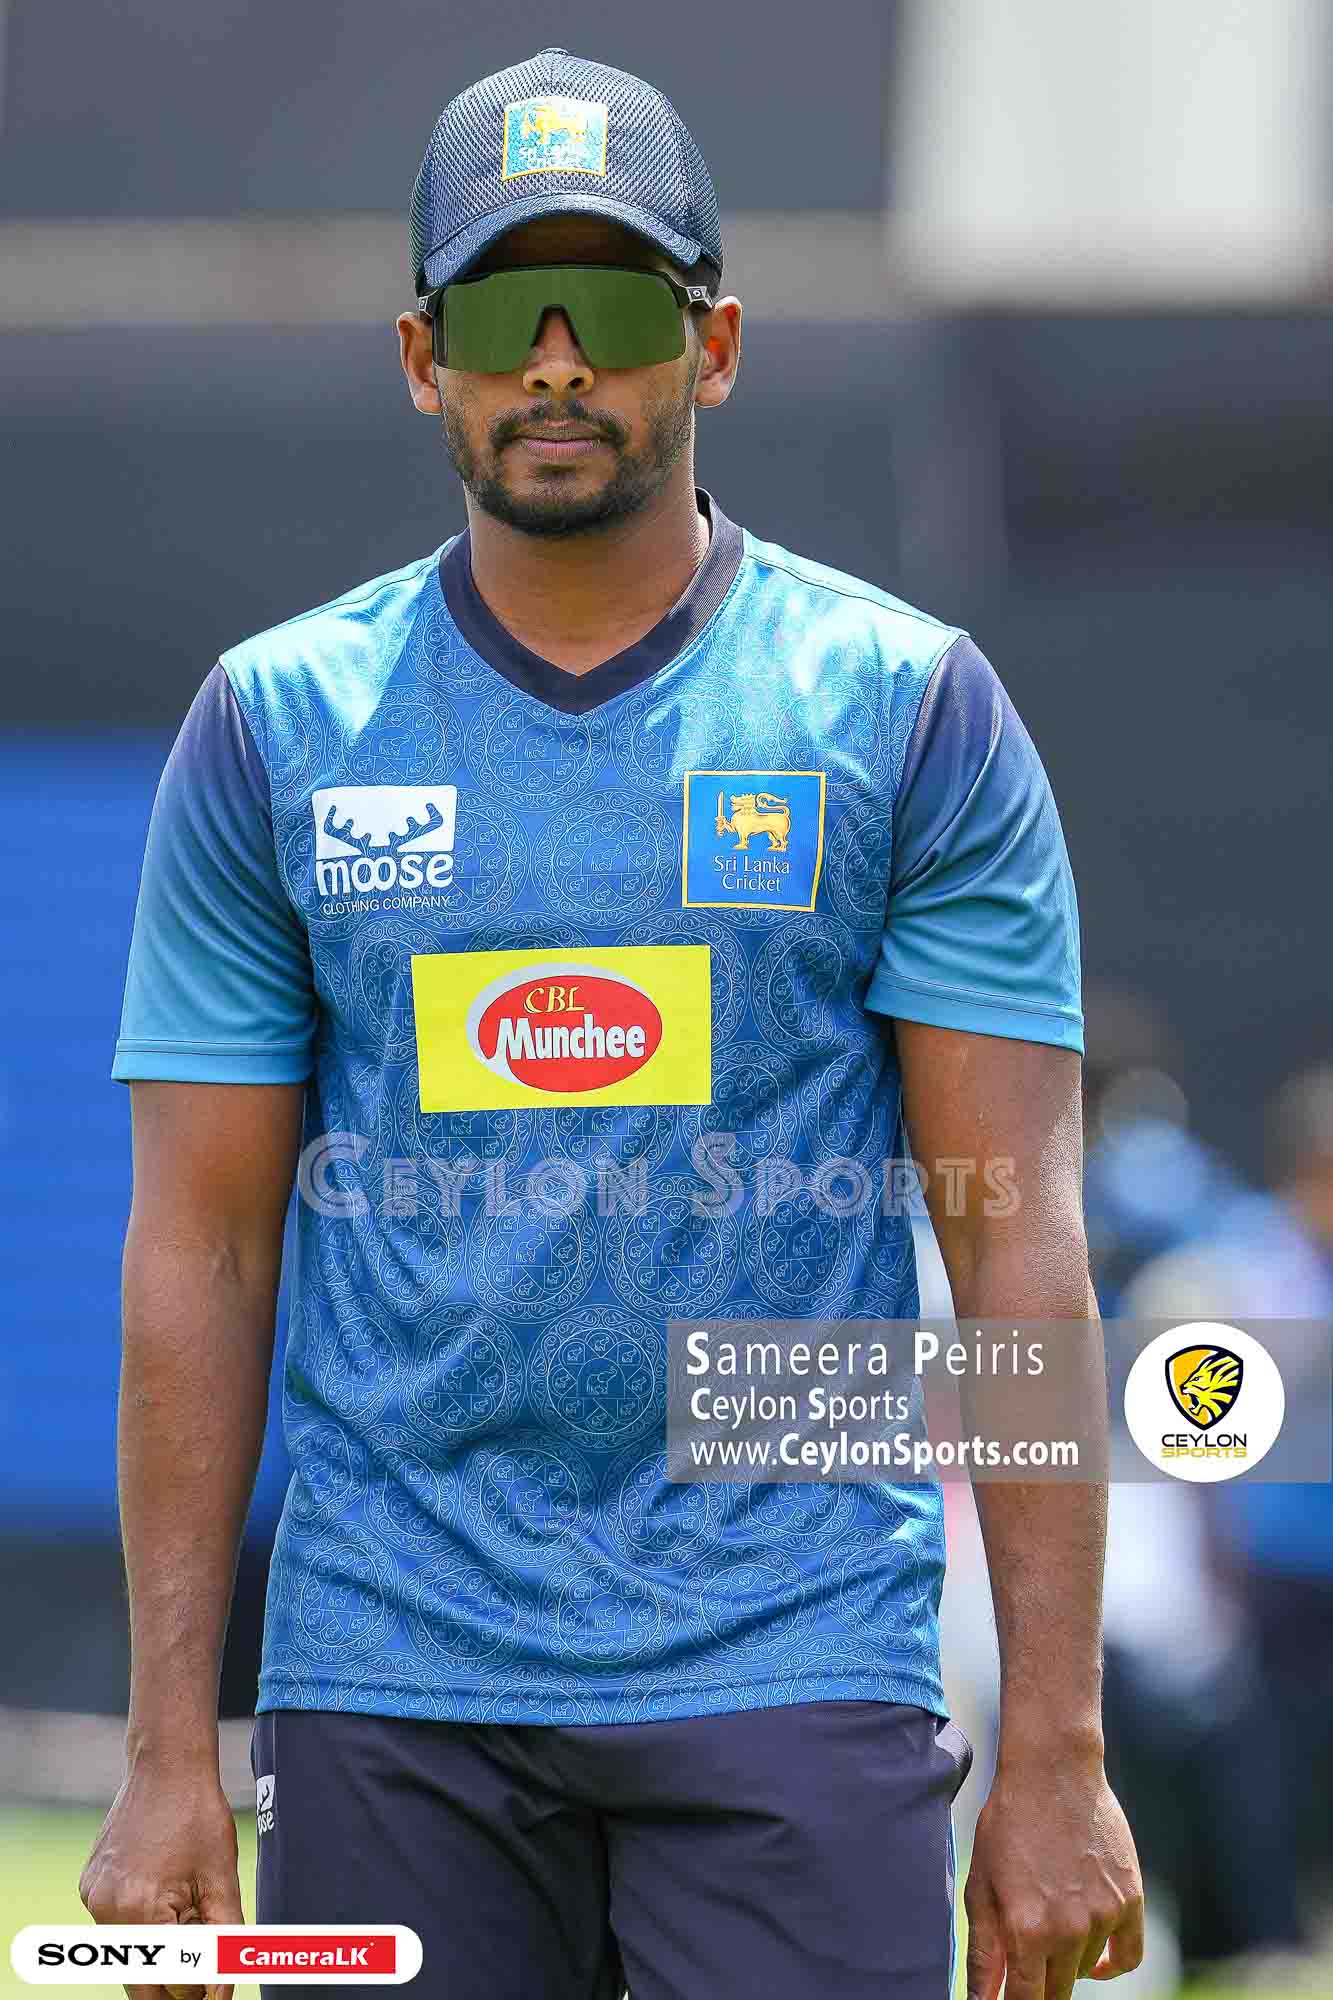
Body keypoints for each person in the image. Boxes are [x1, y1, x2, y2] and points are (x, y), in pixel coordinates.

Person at [81, 47, 1142, 2000]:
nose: (555, 363)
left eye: (616, 307)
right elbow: (201, 1248)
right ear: (425, 360)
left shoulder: (903, 707)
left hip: (790, 1644)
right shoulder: (276, 726)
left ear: (712, 346)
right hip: (392, 1662)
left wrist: (1058, 1751)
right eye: (502, 313)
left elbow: (1017, 1241)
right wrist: (167, 1753)